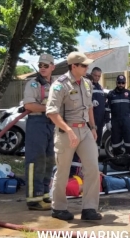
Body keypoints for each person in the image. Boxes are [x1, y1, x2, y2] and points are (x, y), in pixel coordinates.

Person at [46, 51, 102, 221]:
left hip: (85, 131)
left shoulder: (87, 84)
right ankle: (59, 207)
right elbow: (51, 112)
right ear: (74, 66)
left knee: (92, 168)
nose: (87, 68)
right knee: (63, 171)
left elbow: (90, 107)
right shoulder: (60, 85)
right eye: (84, 65)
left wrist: (93, 127)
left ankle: (89, 208)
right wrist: (68, 130)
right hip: (66, 132)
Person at [22, 54, 56, 211]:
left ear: (52, 67)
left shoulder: (55, 84)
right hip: (37, 123)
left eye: (46, 65)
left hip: (51, 123)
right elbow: (29, 105)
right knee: (36, 160)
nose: (42, 68)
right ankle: (33, 198)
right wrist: (49, 108)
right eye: (40, 65)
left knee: (49, 159)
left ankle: (43, 194)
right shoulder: (33, 84)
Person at [105, 75, 130, 156]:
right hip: (115, 122)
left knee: (129, 143)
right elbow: (107, 110)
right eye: (119, 82)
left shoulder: (129, 94)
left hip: (126, 122)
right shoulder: (111, 94)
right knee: (115, 143)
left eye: (123, 83)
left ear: (125, 83)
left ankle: (128, 162)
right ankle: (117, 162)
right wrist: (107, 121)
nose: (121, 84)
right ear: (116, 83)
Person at [91, 67, 109, 153]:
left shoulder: (100, 88)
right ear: (92, 74)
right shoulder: (88, 86)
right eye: (95, 75)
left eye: (99, 76)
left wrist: (107, 120)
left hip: (100, 121)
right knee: (90, 142)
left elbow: (105, 106)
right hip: (92, 121)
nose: (97, 78)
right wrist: (91, 101)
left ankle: (96, 161)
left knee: (98, 142)